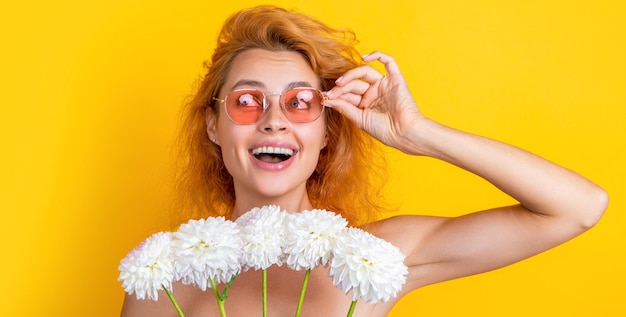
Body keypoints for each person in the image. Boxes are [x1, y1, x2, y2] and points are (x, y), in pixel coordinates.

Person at [120, 5, 608, 317]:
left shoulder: (377, 256)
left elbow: (578, 207)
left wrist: (419, 134)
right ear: (213, 126)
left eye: (300, 103)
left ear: (326, 132)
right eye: (247, 101)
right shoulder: (160, 277)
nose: (274, 121)